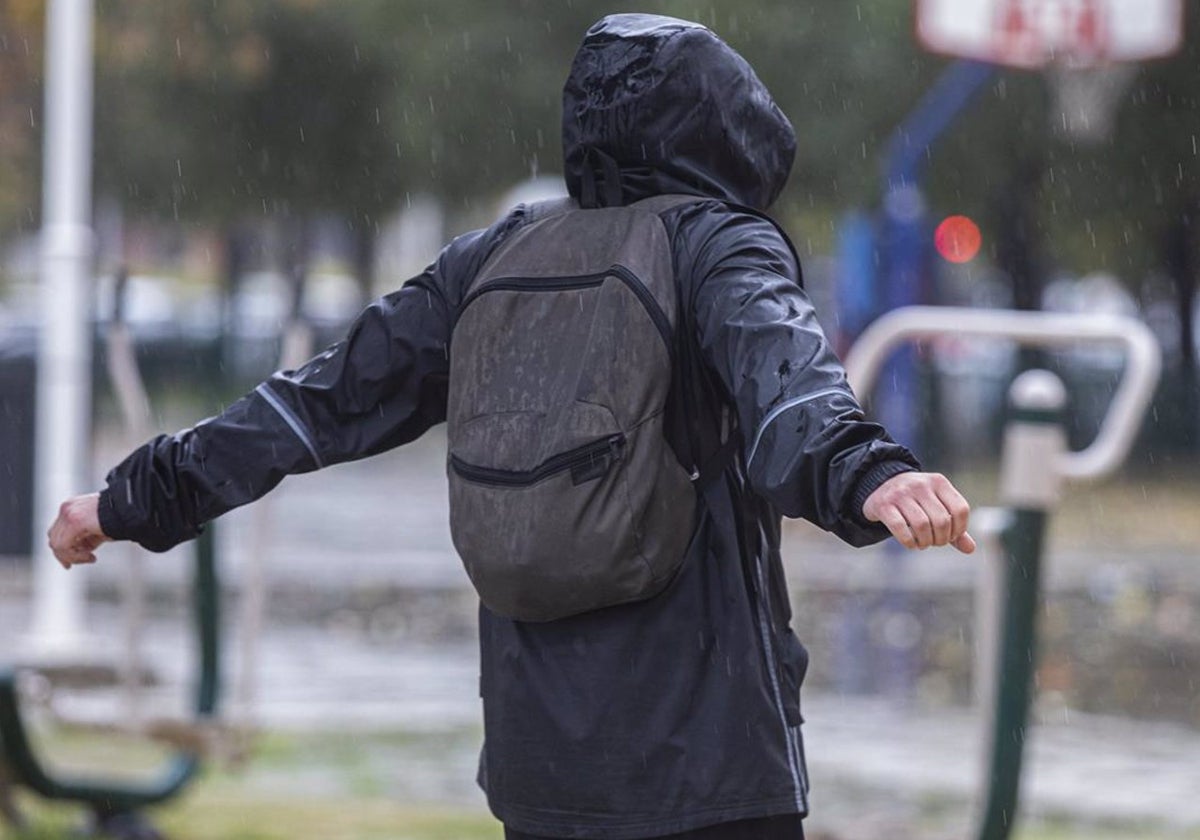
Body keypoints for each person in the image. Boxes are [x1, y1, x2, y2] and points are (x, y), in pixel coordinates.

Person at [49, 13, 974, 840]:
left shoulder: (490, 258)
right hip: (705, 755)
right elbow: (788, 385)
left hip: (540, 759)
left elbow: (314, 403)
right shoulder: (713, 241)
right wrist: (868, 473)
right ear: (728, 128)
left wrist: (129, 500)